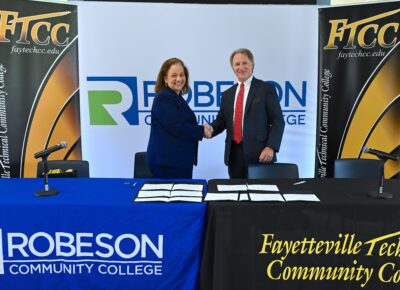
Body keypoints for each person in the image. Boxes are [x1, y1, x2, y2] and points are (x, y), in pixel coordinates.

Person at [208, 48, 285, 178]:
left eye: (245, 63)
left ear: (252, 65)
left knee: (261, 196)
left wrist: (271, 147)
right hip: (234, 155)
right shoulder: (227, 94)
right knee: (237, 195)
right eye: (237, 64)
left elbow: (278, 121)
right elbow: (221, 121)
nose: (241, 67)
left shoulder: (266, 89)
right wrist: (210, 129)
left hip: (260, 154)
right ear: (233, 67)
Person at [147, 58, 211, 179]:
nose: (179, 79)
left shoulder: (175, 97)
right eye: (174, 75)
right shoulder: (163, 98)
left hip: (177, 161)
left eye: (182, 75)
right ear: (165, 78)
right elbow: (177, 127)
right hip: (168, 163)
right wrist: (202, 130)